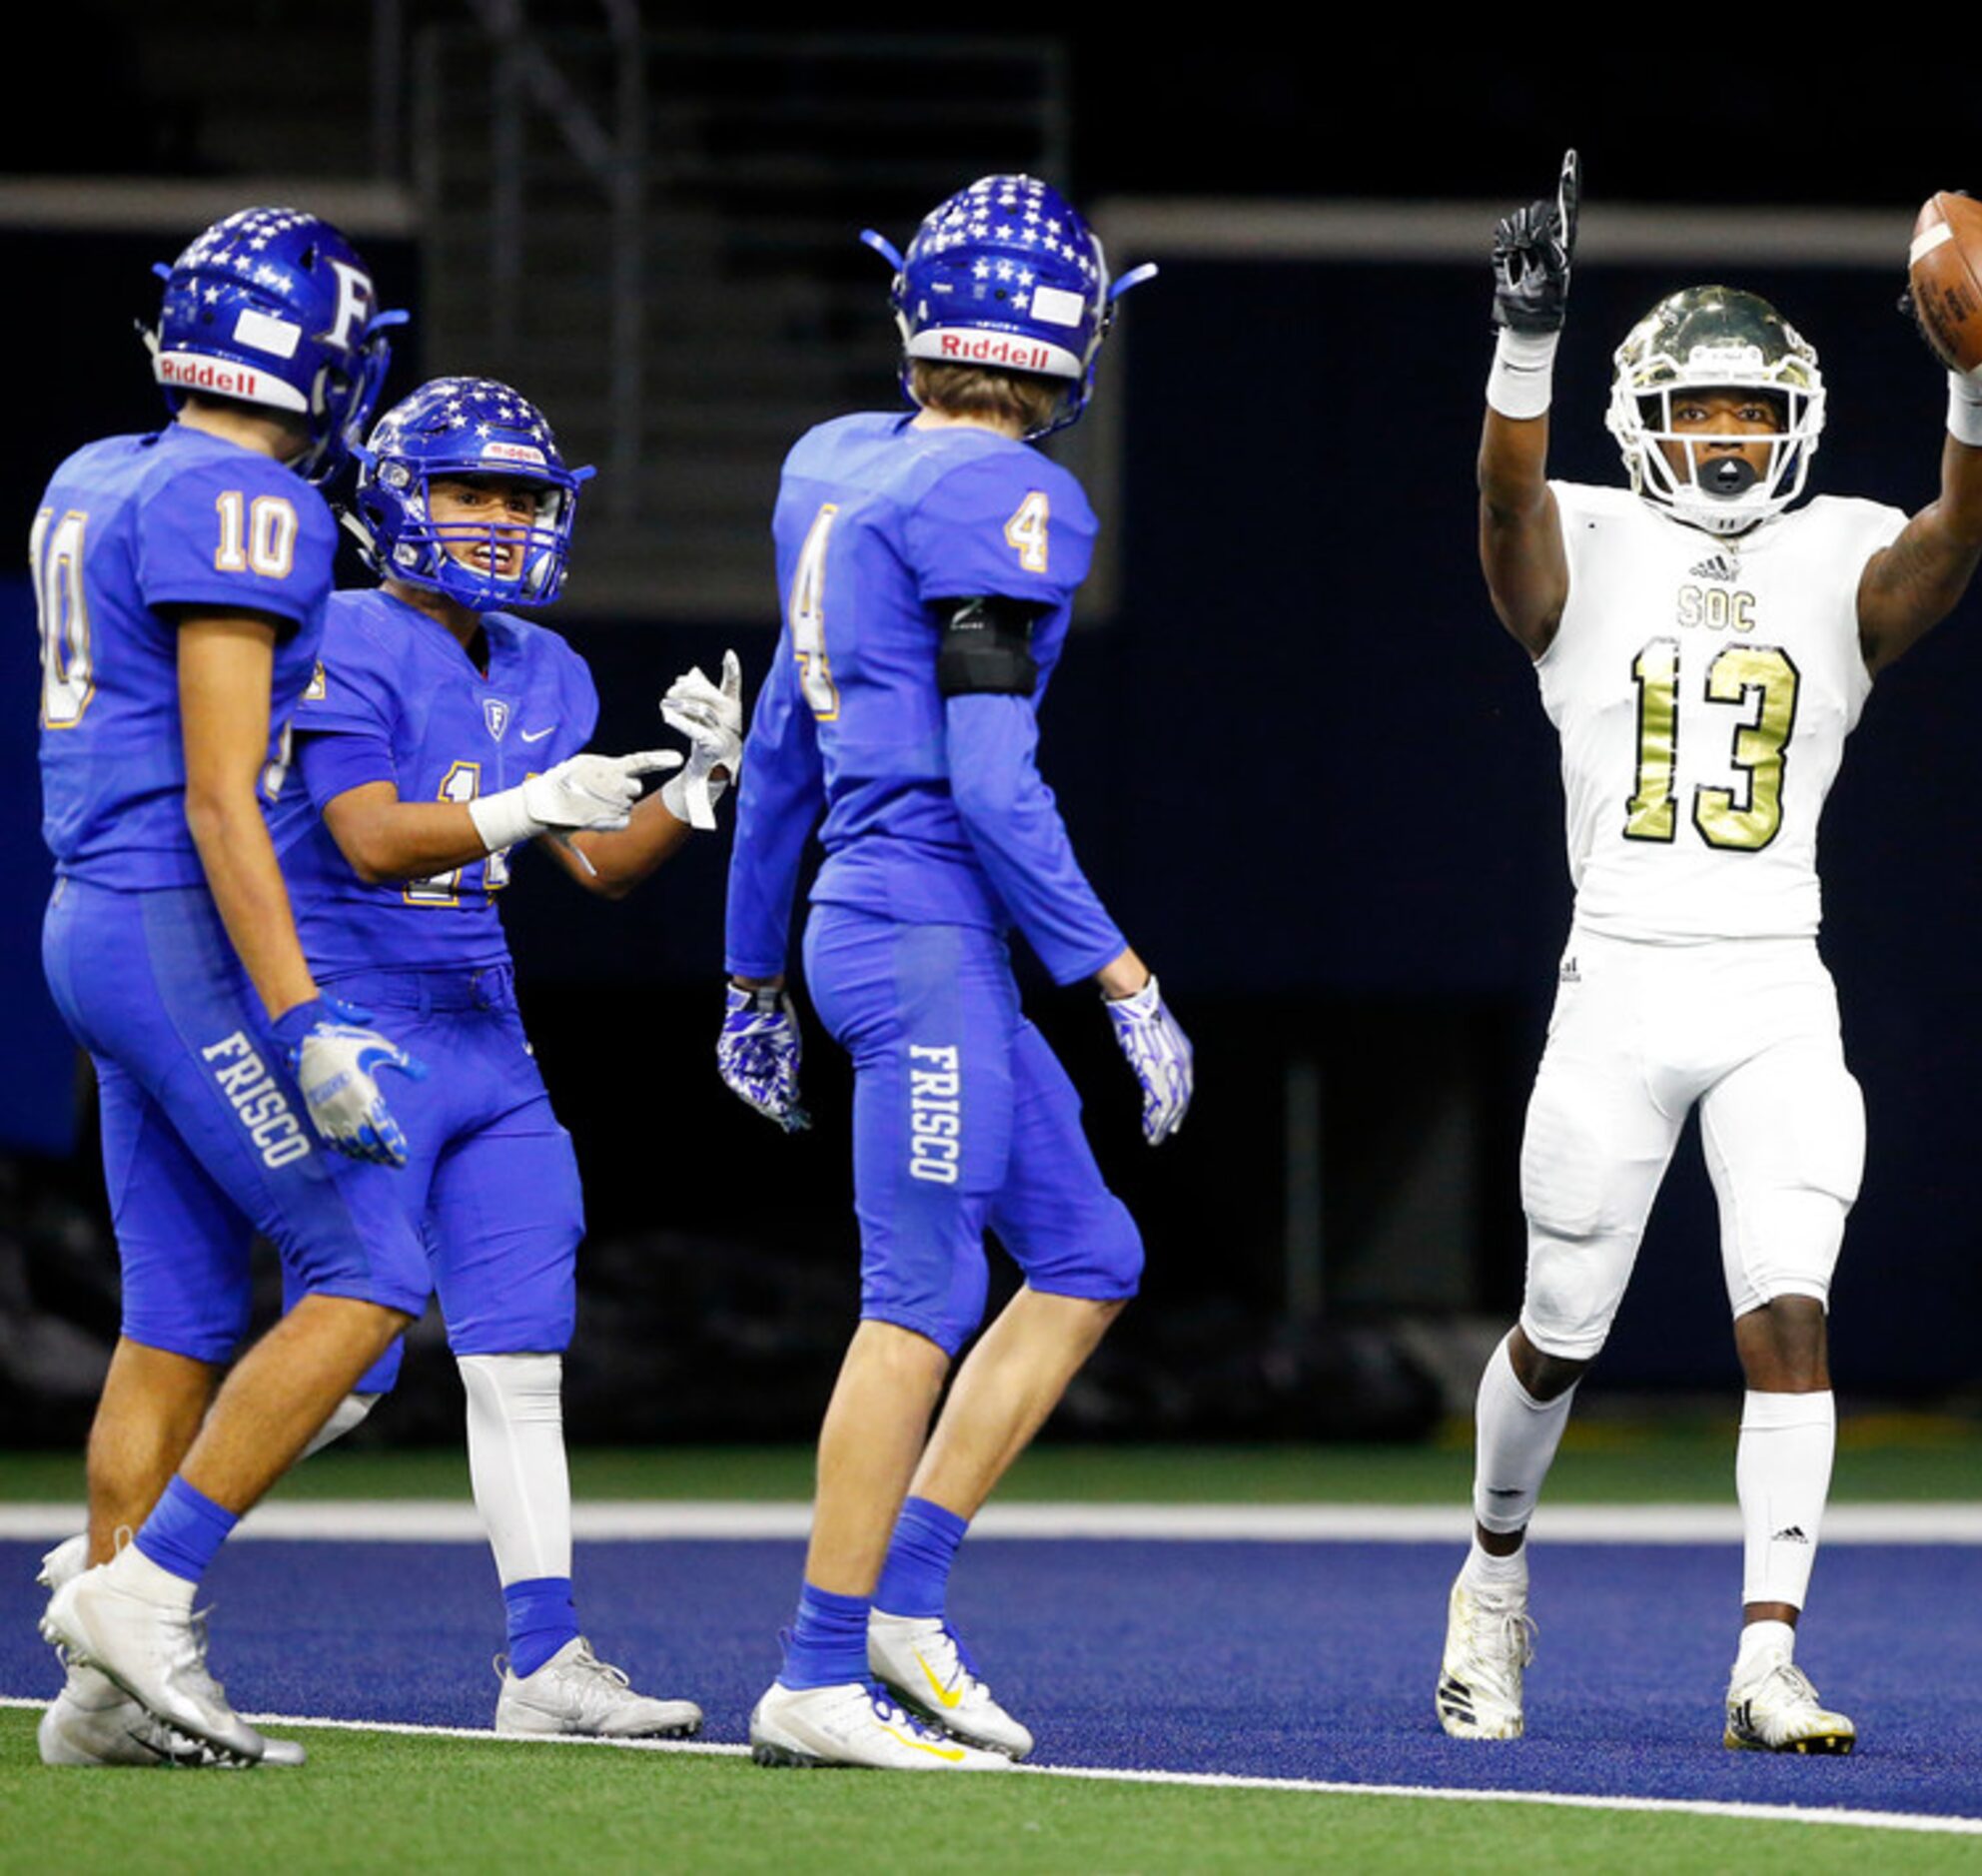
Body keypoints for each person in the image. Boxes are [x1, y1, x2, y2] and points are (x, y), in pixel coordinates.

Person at [1439, 152, 1982, 1753]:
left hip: (1772, 982)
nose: (1728, 434)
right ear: (1644, 416)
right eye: (1703, 408)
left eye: (1754, 412)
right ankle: (1490, 1574)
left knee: (1789, 1310)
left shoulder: (1838, 545)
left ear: (1795, 424)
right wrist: (1525, 341)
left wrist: (1978, 394)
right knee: (1559, 1333)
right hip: (1618, 975)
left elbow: (1956, 549)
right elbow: (1502, 504)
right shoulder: (1584, 531)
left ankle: (1766, 1653)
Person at [718, 173, 1191, 1772]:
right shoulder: (1008, 497)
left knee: (1085, 1248)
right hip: (924, 928)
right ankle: (812, 1669)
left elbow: (782, 745)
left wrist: (747, 974)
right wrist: (1119, 974)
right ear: (1071, 345)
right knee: (918, 1300)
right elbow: (991, 785)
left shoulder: (829, 468)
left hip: (881, 921)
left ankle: (901, 1606)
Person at [256, 374, 723, 1738]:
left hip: (485, 1024)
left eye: (523, 496)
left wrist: (695, 781)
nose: (504, 520)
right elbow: (368, 837)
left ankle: (544, 1661)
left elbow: (597, 864)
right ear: (397, 496)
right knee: (351, 1360)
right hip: (357, 1017)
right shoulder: (336, 630)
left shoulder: (546, 664)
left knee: (521, 1352)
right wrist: (525, 800)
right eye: (471, 490)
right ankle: (135, 1548)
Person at [33, 207, 428, 1767]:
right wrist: (307, 1014)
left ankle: (100, 1699)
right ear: (323, 362)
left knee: (180, 1313)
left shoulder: (98, 469)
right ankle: (150, 1592)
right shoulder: (244, 497)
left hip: (91, 918)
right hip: (172, 920)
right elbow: (217, 795)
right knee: (369, 1266)